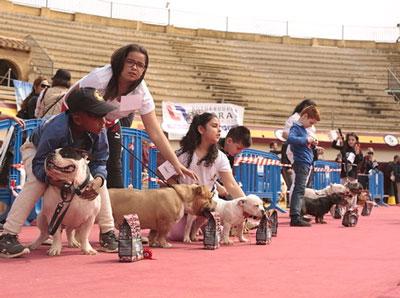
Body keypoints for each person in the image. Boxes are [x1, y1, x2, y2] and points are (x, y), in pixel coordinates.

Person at [0, 87, 119, 258]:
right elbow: (40, 161)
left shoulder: (99, 130)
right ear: (78, 119)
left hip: (68, 158)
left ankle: (107, 233)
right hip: (36, 151)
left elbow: (100, 161)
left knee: (100, 183)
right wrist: (51, 180)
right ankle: (8, 236)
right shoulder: (56, 129)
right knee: (37, 183)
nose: (103, 121)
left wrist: (99, 179)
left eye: (103, 115)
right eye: (97, 116)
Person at [65, 44, 196, 188]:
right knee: (74, 161)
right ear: (120, 61)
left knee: (114, 166)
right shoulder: (100, 78)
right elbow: (71, 99)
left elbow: (156, 133)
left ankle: (116, 208)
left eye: (140, 65)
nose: (134, 67)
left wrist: (175, 163)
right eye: (130, 62)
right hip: (78, 117)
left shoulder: (141, 94)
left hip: (109, 123)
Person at [286, 105, 320, 227]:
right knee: (299, 190)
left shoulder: (302, 130)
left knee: (300, 189)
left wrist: (312, 144)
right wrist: (307, 139)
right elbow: (290, 139)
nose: (311, 125)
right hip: (300, 162)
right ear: (304, 116)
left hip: (304, 162)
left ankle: (297, 214)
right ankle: (295, 216)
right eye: (311, 122)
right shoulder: (296, 127)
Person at [216, 125, 251, 199]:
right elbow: (204, 175)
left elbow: (229, 178)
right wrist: (217, 186)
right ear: (229, 141)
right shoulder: (214, 150)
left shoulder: (231, 153)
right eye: (238, 148)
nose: (239, 152)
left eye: (242, 150)